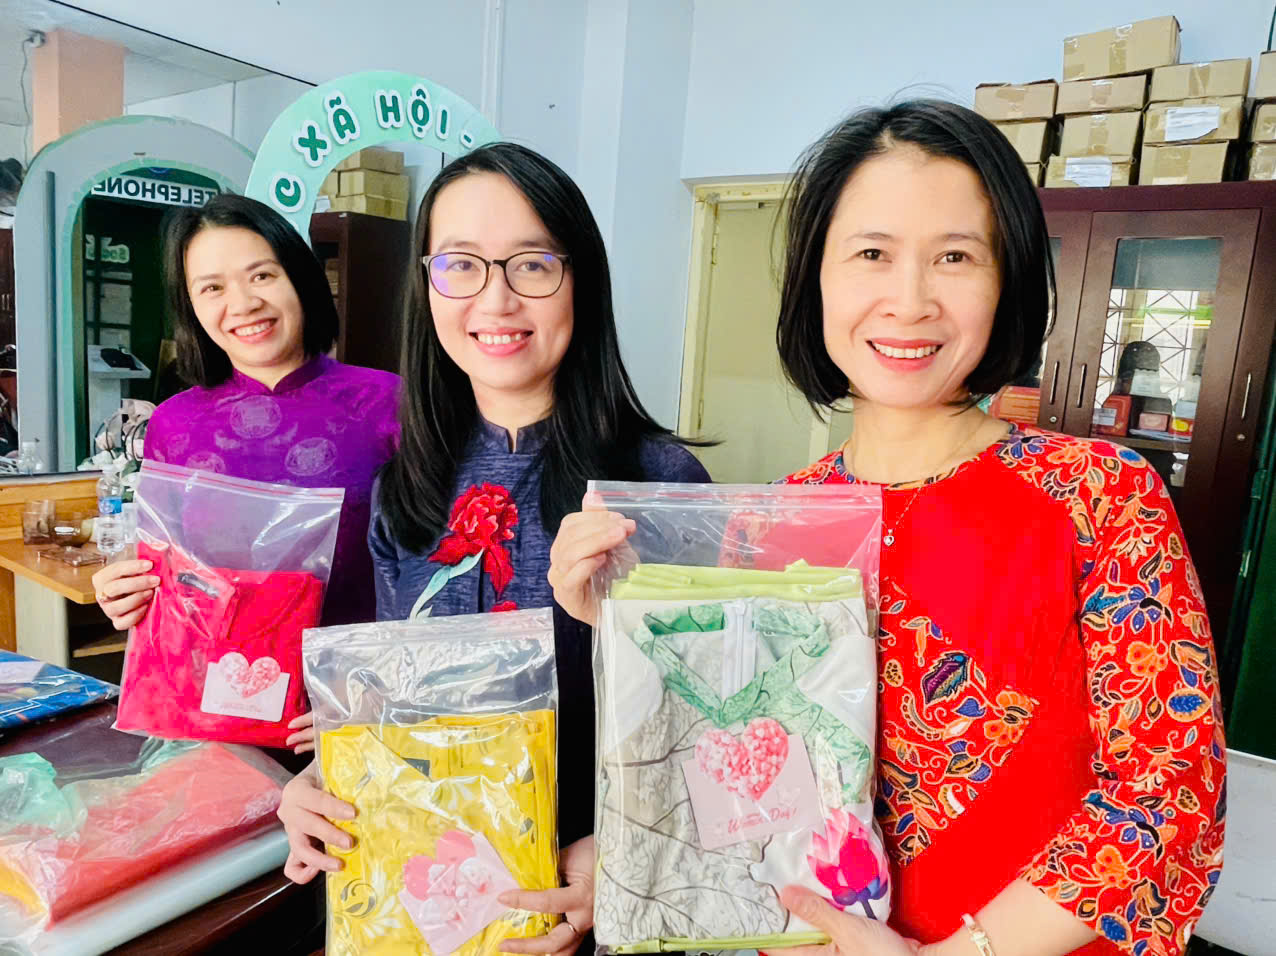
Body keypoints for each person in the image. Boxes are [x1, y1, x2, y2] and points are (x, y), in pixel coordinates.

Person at [551, 101, 1224, 956]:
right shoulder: (766, 522)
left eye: (955, 257)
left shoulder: (1099, 495)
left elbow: (1169, 788)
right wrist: (632, 633)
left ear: (1008, 281)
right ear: (817, 279)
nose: (910, 302)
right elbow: (740, 765)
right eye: (872, 254)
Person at [276, 143, 709, 956]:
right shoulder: (404, 486)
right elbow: (397, 708)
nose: (497, 298)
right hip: (438, 906)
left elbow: (714, 725)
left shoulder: (659, 483)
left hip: (608, 913)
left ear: (580, 281)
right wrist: (323, 783)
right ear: (427, 286)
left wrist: (624, 852)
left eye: (532, 265)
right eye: (461, 265)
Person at [90, 194, 400, 732]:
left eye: (261, 275)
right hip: (217, 709)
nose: (243, 303)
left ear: (299, 279)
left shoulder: (388, 404)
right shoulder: (173, 424)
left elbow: (433, 572)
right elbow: (173, 581)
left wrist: (374, 704)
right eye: (212, 287)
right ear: (190, 306)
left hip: (360, 711)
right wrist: (127, 593)